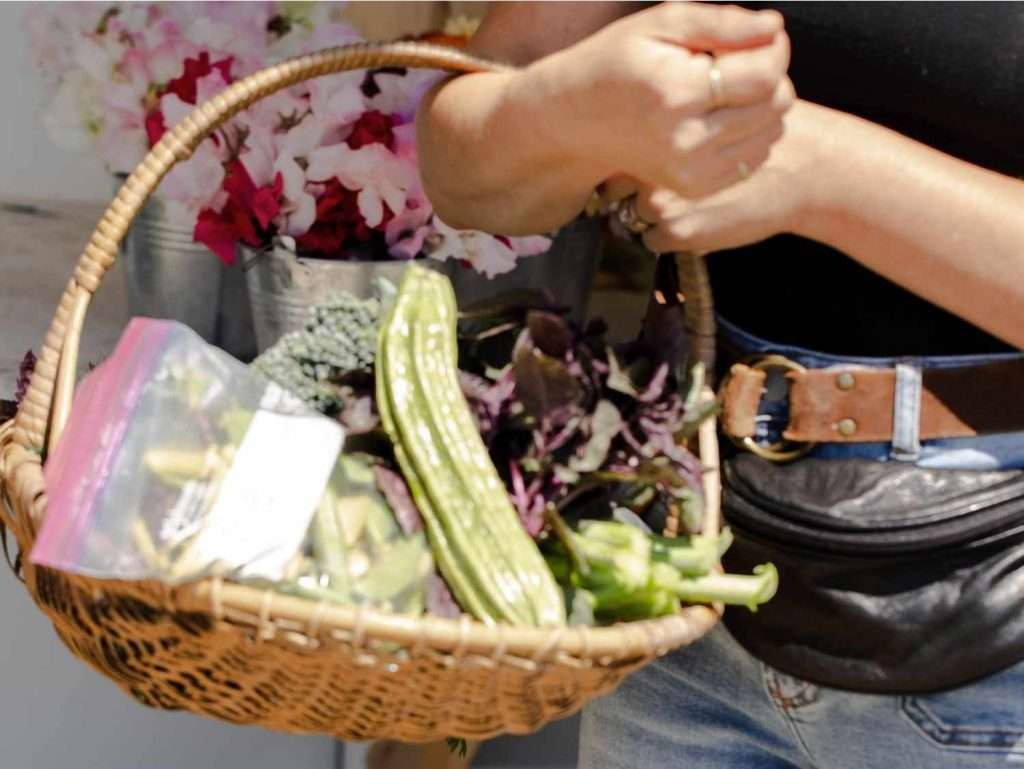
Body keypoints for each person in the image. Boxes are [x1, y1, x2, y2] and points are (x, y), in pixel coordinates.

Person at [417, 2, 1024, 768]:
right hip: (686, 582)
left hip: (995, 632)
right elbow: (459, 163)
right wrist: (570, 105)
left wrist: (822, 175)